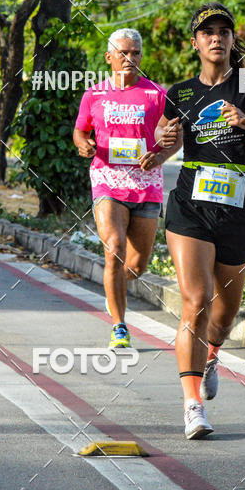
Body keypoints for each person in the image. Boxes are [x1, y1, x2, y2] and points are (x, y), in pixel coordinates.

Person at [155, 2, 245, 439]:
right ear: (195, 42)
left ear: (232, 40)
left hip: (238, 207)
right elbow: (165, 139)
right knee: (196, 299)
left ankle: (212, 354)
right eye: (207, 31)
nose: (216, 38)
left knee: (224, 316)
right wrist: (159, 141)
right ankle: (192, 405)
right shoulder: (181, 92)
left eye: (223, 31)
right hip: (190, 204)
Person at [74, 29, 177, 350]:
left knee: (135, 266)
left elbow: (177, 136)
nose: (130, 59)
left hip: (147, 186)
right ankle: (119, 325)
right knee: (114, 248)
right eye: (123, 53)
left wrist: (160, 154)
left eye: (135, 53)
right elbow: (79, 132)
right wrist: (85, 145)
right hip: (108, 181)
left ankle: (113, 285)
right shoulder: (94, 95)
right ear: (109, 57)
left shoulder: (158, 95)